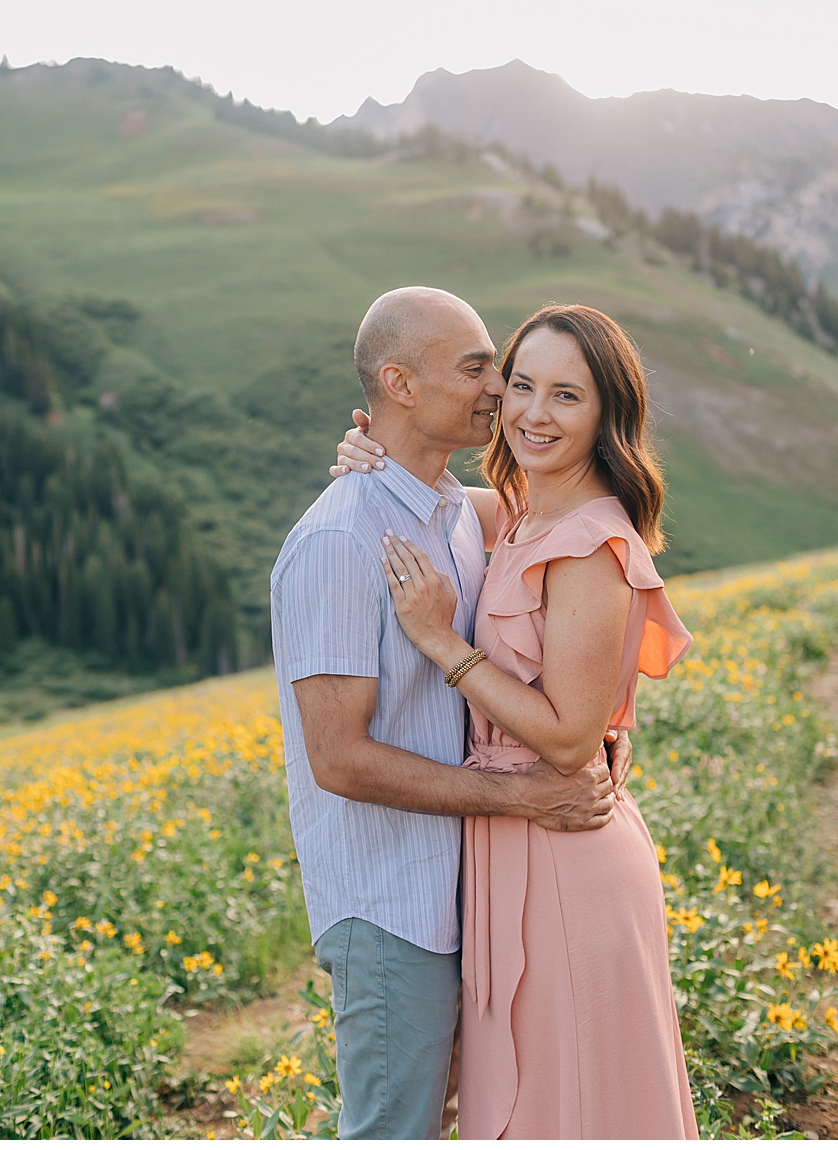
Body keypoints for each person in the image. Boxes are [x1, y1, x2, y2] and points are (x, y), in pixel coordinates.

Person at [269, 286, 630, 1140]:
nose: (499, 393)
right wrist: (524, 797)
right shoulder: (338, 542)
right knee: (395, 1130)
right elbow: (340, 761)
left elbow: (571, 528)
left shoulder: (455, 517)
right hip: (393, 903)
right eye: (479, 370)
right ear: (398, 384)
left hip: (475, 890)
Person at [334, 302, 695, 1138]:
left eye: (567, 396)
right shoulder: (527, 511)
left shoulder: (587, 544)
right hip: (512, 841)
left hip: (565, 858)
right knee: (526, 1100)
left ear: (608, 412)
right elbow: (450, 506)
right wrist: (373, 458)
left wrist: (438, 642)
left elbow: (571, 737)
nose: (533, 411)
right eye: (522, 383)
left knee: (568, 1105)